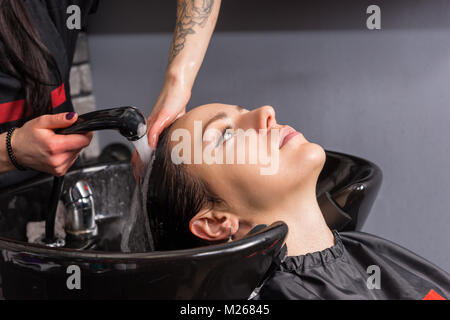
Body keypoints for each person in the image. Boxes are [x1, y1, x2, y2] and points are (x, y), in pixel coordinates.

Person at [145, 103, 450, 300]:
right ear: (215, 222)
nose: (266, 111)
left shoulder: (363, 252)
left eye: (243, 110)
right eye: (225, 135)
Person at [0, 0, 221, 187]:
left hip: (55, 190)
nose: (257, 116)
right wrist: (11, 149)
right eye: (225, 134)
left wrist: (178, 82)